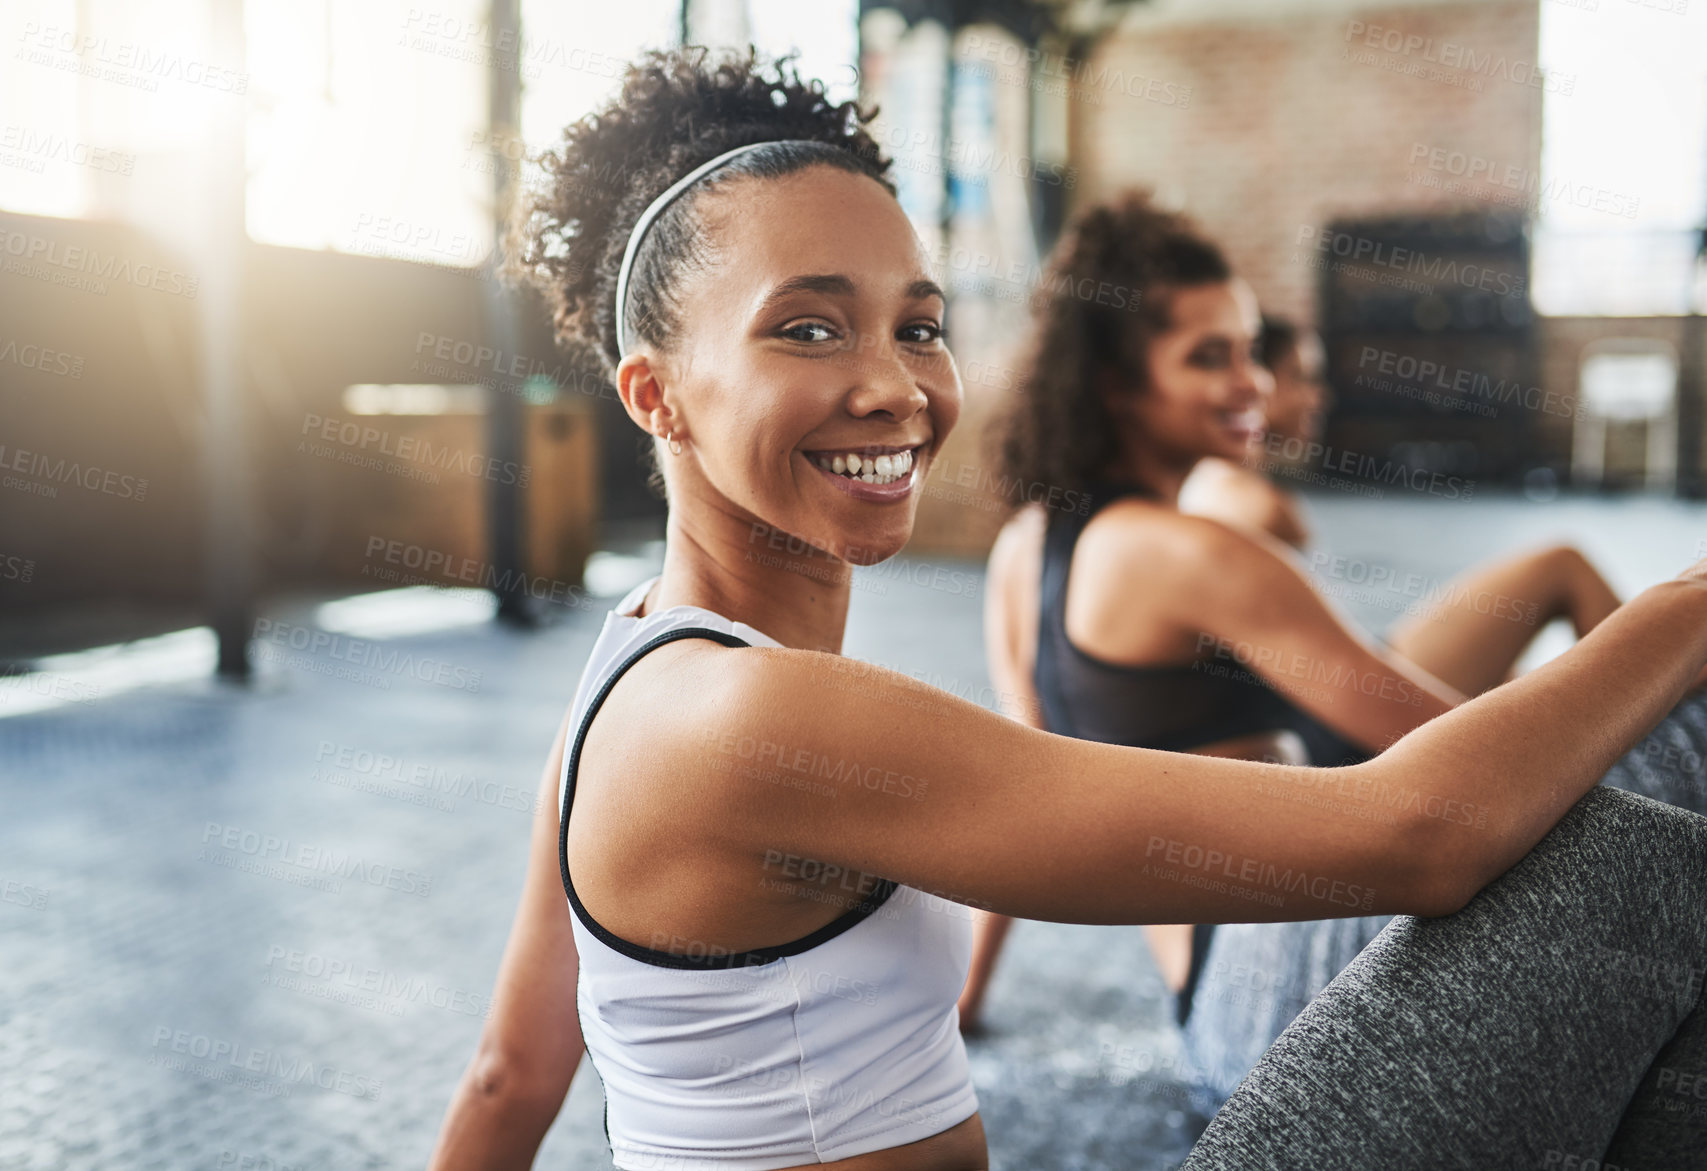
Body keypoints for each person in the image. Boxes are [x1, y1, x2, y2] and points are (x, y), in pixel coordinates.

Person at [428, 47, 1707, 1171]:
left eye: (918, 328)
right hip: (1266, 969)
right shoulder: (754, 716)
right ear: (655, 397)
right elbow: (1422, 830)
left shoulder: (631, 682)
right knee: (1615, 855)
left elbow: (509, 1075)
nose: (893, 385)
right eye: (808, 330)